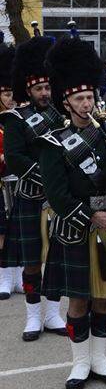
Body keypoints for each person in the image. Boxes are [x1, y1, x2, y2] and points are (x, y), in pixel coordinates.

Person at [40, 32, 106, 389]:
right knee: (79, 298)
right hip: (78, 228)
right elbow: (57, 195)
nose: (86, 103)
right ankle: (79, 364)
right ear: (66, 102)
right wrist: (93, 216)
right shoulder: (54, 143)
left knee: (105, 296)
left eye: (90, 96)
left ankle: (99, 359)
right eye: (79, 98)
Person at [0, 27, 67, 339]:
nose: (44, 92)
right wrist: (49, 178)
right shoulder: (16, 119)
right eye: (38, 88)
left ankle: (53, 314)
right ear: (28, 90)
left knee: (57, 258)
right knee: (31, 262)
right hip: (31, 197)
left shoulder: (61, 116)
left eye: (46, 86)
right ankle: (32, 316)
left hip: (60, 202)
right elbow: (14, 158)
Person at [0, 41, 20, 298]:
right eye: (5, 93)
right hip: (1, 183)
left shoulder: (21, 120)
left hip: (22, 182)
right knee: (2, 232)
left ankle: (20, 277)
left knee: (23, 233)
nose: (11, 98)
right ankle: (4, 276)